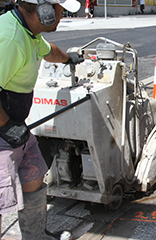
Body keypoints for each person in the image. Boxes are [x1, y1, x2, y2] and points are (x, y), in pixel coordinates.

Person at [0, 0, 83, 239]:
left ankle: (35, 236)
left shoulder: (31, 33)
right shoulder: (9, 38)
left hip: (15, 125)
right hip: (4, 128)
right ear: (44, 11)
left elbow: (49, 52)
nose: (62, 14)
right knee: (2, 197)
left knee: (34, 174)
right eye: (60, 9)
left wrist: (69, 59)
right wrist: (5, 125)